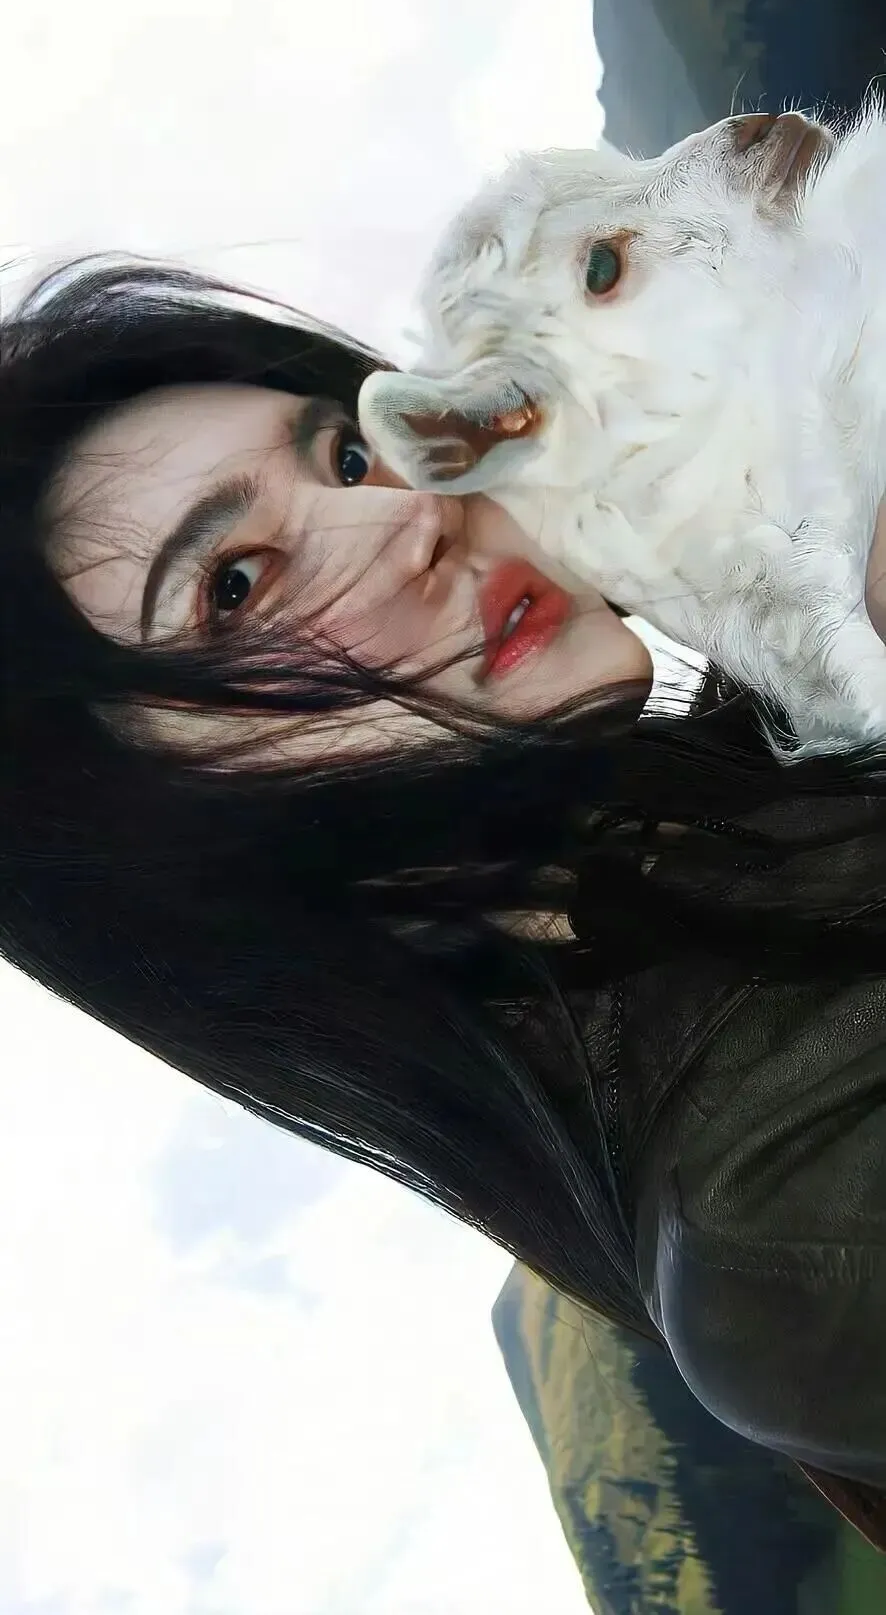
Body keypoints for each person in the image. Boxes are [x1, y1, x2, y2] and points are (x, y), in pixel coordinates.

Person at [2, 253, 886, 1556]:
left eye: (346, 456)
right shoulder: (773, 1215)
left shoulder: (811, 673)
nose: (407, 514)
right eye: (233, 586)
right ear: (160, 842)